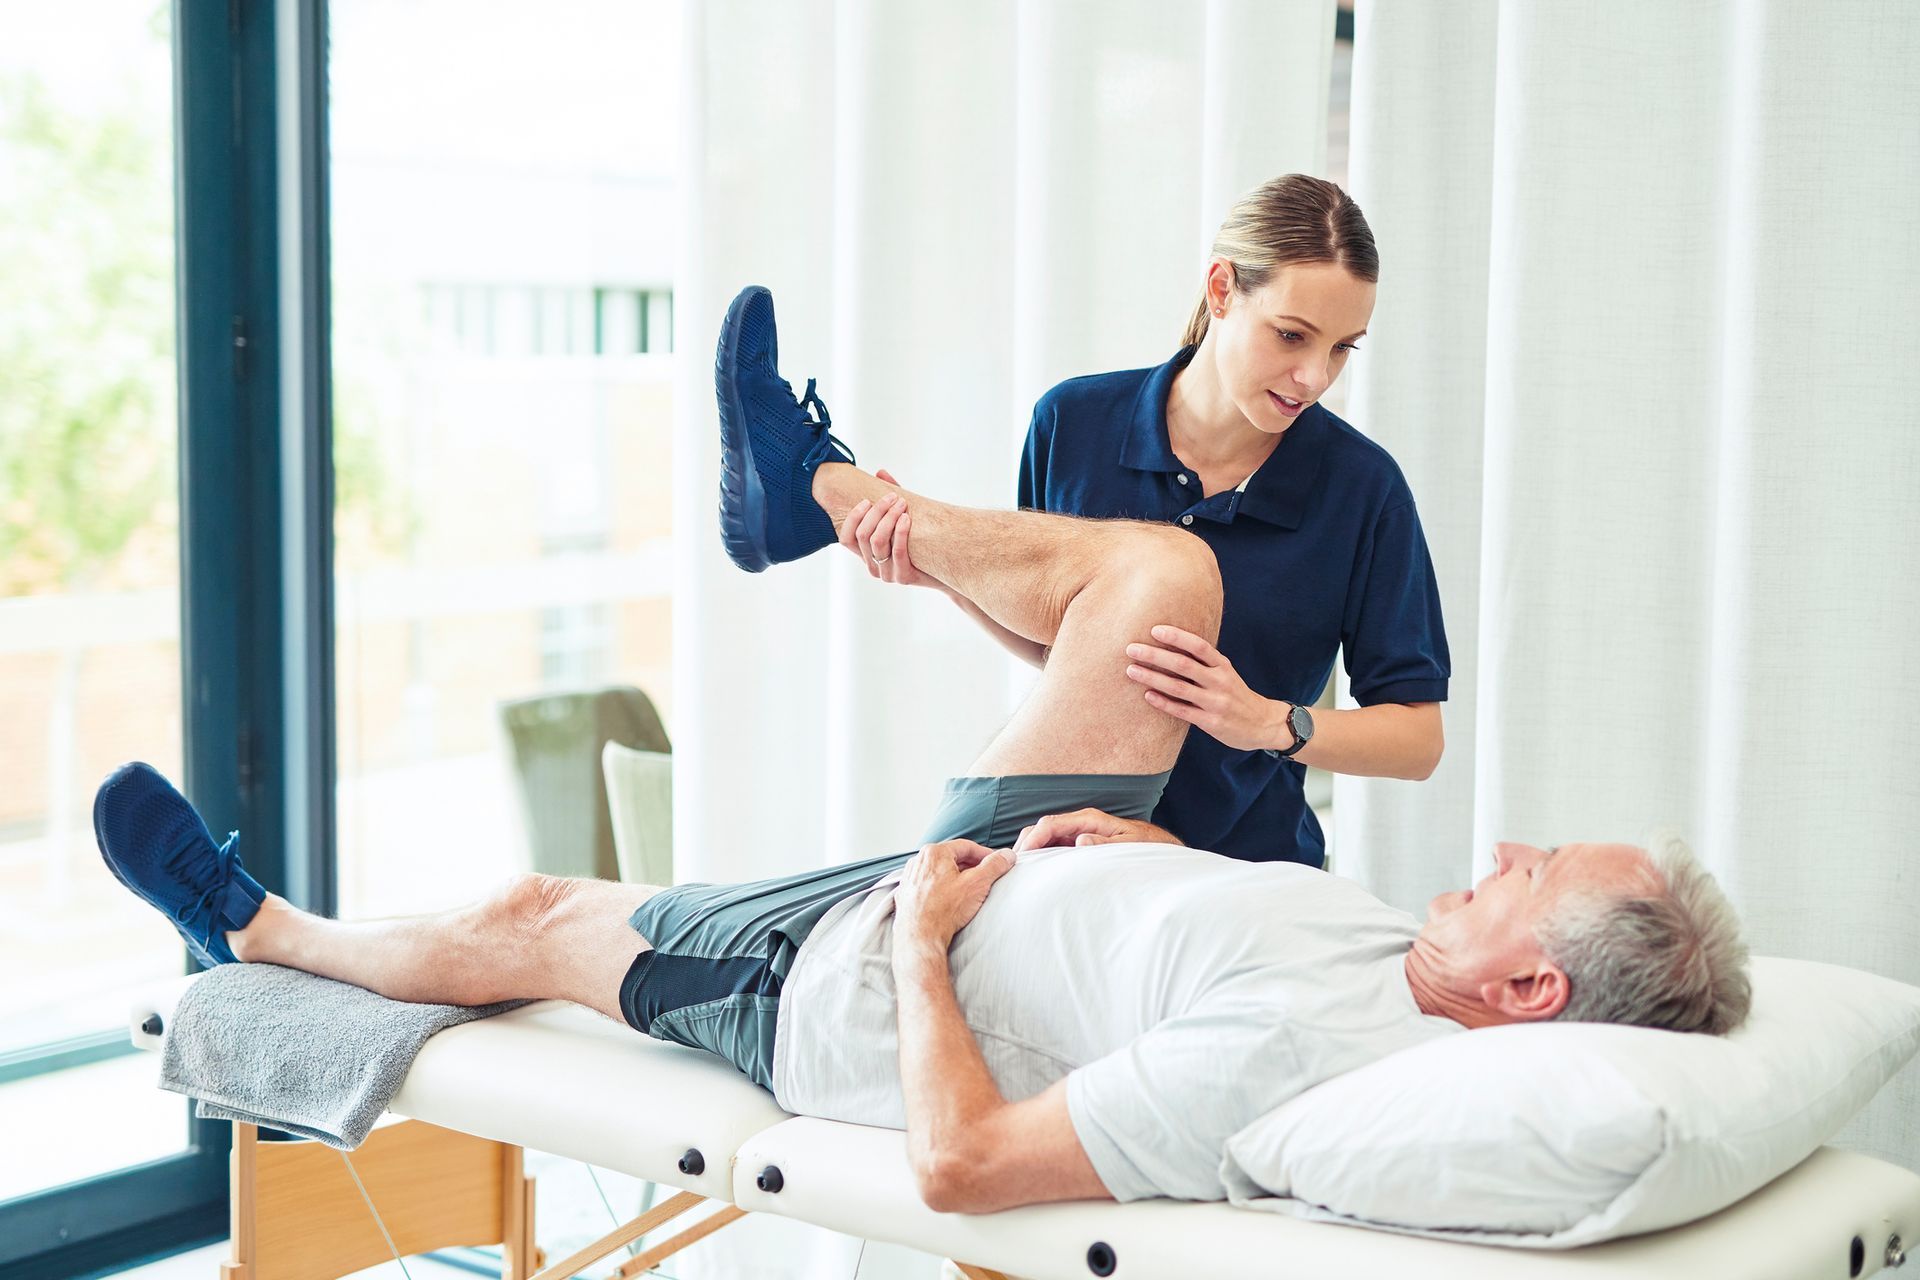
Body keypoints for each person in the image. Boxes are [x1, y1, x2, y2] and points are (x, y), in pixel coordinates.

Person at [97, 372, 1751, 1211]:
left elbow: (962, 1164)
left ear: (1531, 985)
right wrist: (1147, 841)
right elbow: (1195, 933)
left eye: (1537, 871)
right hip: (998, 873)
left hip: (850, 981)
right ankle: (821, 498)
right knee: (1163, 577)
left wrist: (907, 954)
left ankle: (264, 929)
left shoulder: (1316, 1065)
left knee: (541, 920)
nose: (1507, 849)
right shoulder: (1393, 950)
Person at [822, 174, 1446, 866]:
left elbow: (1418, 741)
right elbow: (1067, 646)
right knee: (895, 908)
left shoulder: (1362, 488)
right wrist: (941, 577)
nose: (1313, 377)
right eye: (1292, 336)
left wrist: (1271, 721)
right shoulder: (1073, 423)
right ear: (1221, 290)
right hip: (1063, 845)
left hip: (1238, 868)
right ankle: (841, 495)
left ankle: (816, 484)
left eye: (1340, 348)